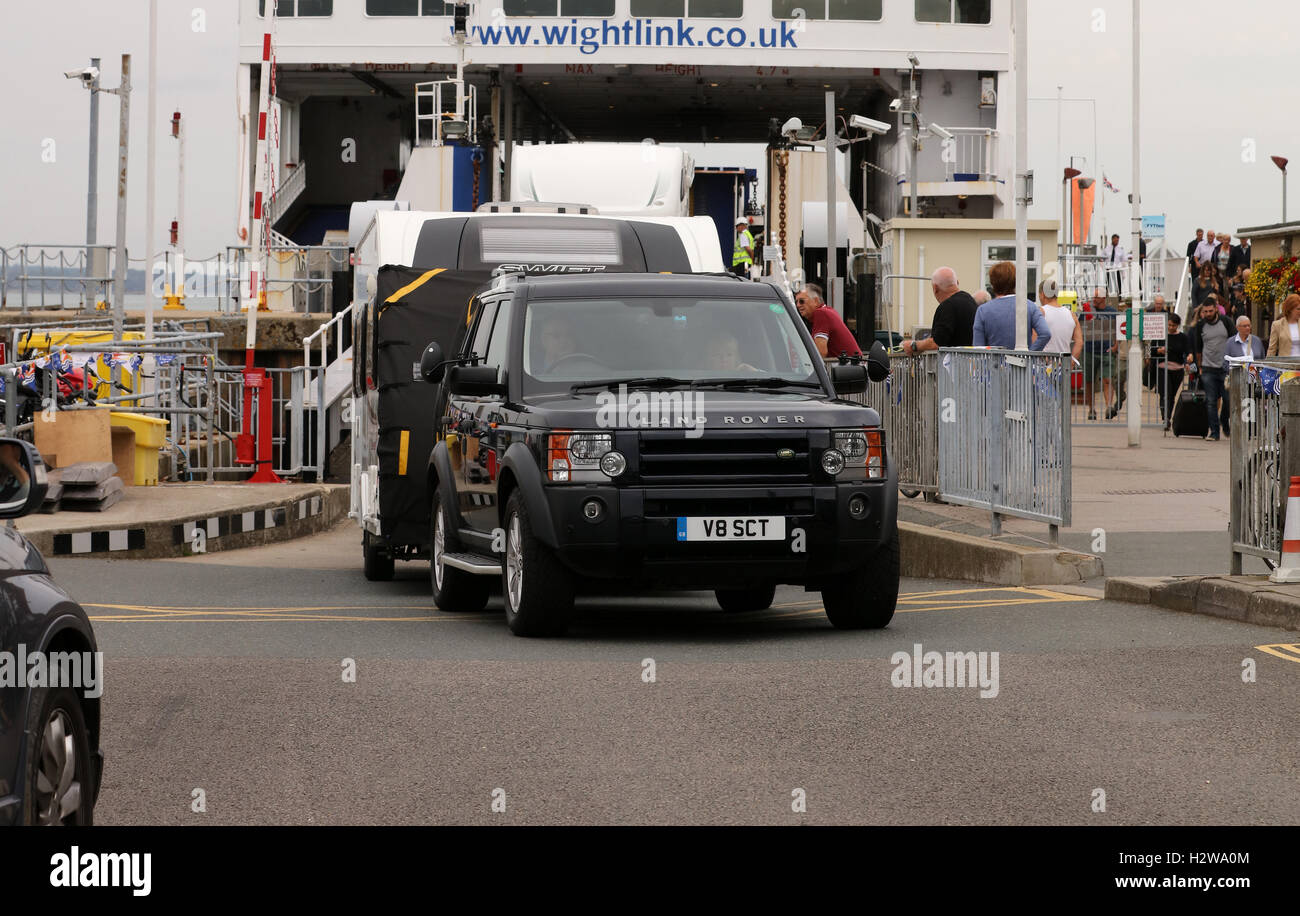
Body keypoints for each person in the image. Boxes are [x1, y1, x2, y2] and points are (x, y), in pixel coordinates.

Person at [970, 261, 1052, 350]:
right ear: (1015, 281)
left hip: (994, 362)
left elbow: (978, 348)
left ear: (992, 283)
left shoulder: (983, 310)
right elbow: (1045, 334)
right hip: (1022, 362)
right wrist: (1030, 354)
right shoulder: (1030, 306)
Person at [901, 266, 979, 355]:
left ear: (935, 288)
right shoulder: (971, 301)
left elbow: (937, 342)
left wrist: (913, 345)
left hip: (955, 364)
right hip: (973, 362)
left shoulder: (947, 306)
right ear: (957, 282)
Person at [1187, 298, 1234, 440]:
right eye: (1205, 311)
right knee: (1211, 401)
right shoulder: (1200, 326)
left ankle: (1224, 421)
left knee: (1228, 400)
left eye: (1210, 311)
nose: (1208, 314)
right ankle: (1214, 432)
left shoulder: (1226, 322)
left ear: (1216, 309)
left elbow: (1233, 342)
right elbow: (1198, 349)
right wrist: (1199, 367)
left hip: (1225, 368)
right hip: (1208, 369)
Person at [794, 283, 862, 360]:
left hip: (849, 368)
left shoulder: (821, 313)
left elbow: (820, 353)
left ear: (816, 301)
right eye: (796, 302)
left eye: (802, 301)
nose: (798, 305)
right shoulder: (828, 310)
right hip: (852, 366)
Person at [1080, 288, 1118, 420]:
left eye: (1096, 297)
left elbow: (1118, 329)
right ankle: (1091, 409)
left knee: (1108, 379)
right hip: (1089, 350)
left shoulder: (1112, 312)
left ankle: (1108, 407)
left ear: (1103, 298)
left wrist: (1115, 346)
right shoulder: (1087, 311)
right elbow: (1079, 326)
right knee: (1089, 381)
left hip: (1106, 350)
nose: (1093, 299)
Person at [1151, 312, 1188, 430]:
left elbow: (1187, 351)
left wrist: (1188, 360)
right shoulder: (1159, 336)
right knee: (1164, 393)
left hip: (1177, 370)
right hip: (1162, 368)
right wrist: (1158, 351)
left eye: (1174, 325)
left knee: (1171, 395)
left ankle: (1168, 416)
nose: (1171, 327)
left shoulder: (1183, 337)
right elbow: (1150, 350)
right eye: (1169, 325)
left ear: (1178, 325)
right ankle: (1165, 418)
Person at [1038, 280, 1082, 360]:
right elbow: (1079, 342)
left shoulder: (1040, 312)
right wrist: (1072, 362)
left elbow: (1034, 338)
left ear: (1042, 294)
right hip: (1064, 366)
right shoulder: (1071, 314)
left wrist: (1045, 360)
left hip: (1044, 366)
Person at [1101, 233, 1130, 297]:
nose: (1117, 242)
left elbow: (1123, 260)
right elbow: (1102, 258)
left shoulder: (1120, 249)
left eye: (1118, 241)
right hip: (1108, 268)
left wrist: (1123, 272)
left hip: (1117, 269)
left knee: (1118, 283)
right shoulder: (1106, 248)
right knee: (1107, 283)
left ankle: (1119, 296)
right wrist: (1103, 267)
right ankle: (1106, 295)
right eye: (1116, 240)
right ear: (1112, 239)